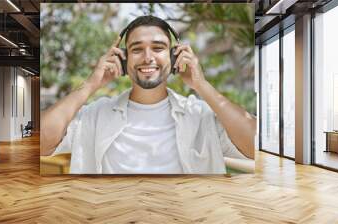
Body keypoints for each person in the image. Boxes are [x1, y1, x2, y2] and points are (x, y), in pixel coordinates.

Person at [41, 15, 256, 174]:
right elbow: (41, 142)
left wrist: (201, 85)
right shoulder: (95, 115)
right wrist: (90, 85)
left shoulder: (200, 116)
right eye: (136, 49)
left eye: (158, 47)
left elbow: (256, 145)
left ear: (174, 57)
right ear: (124, 60)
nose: (147, 57)